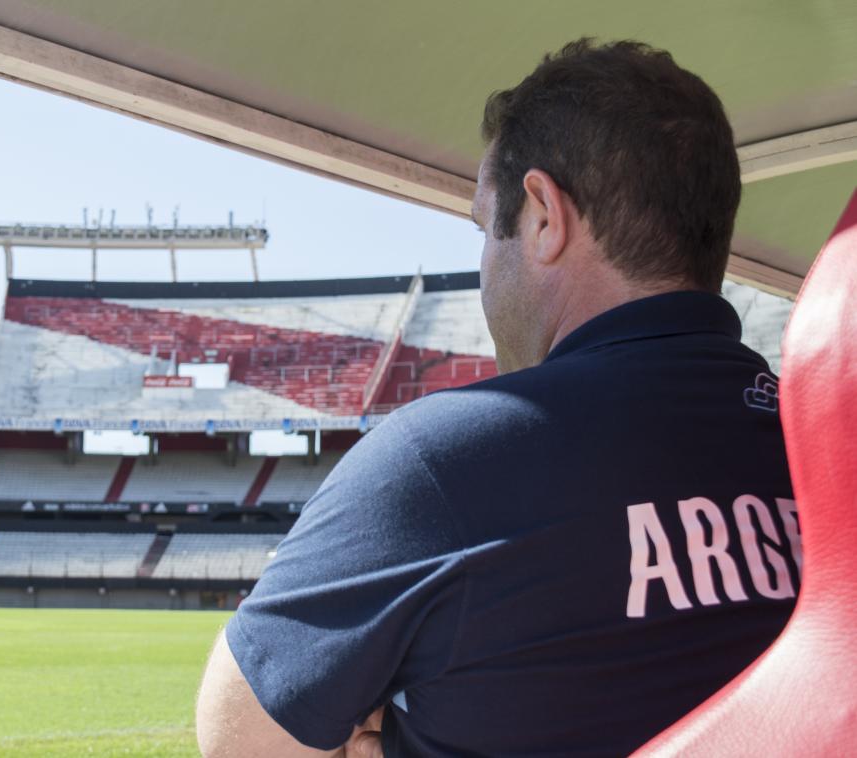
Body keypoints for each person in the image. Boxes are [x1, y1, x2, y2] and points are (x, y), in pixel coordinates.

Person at [196, 38, 800, 757]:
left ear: (544, 214)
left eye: (487, 226)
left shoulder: (440, 462)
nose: (485, 260)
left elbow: (239, 738)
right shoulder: (824, 450)